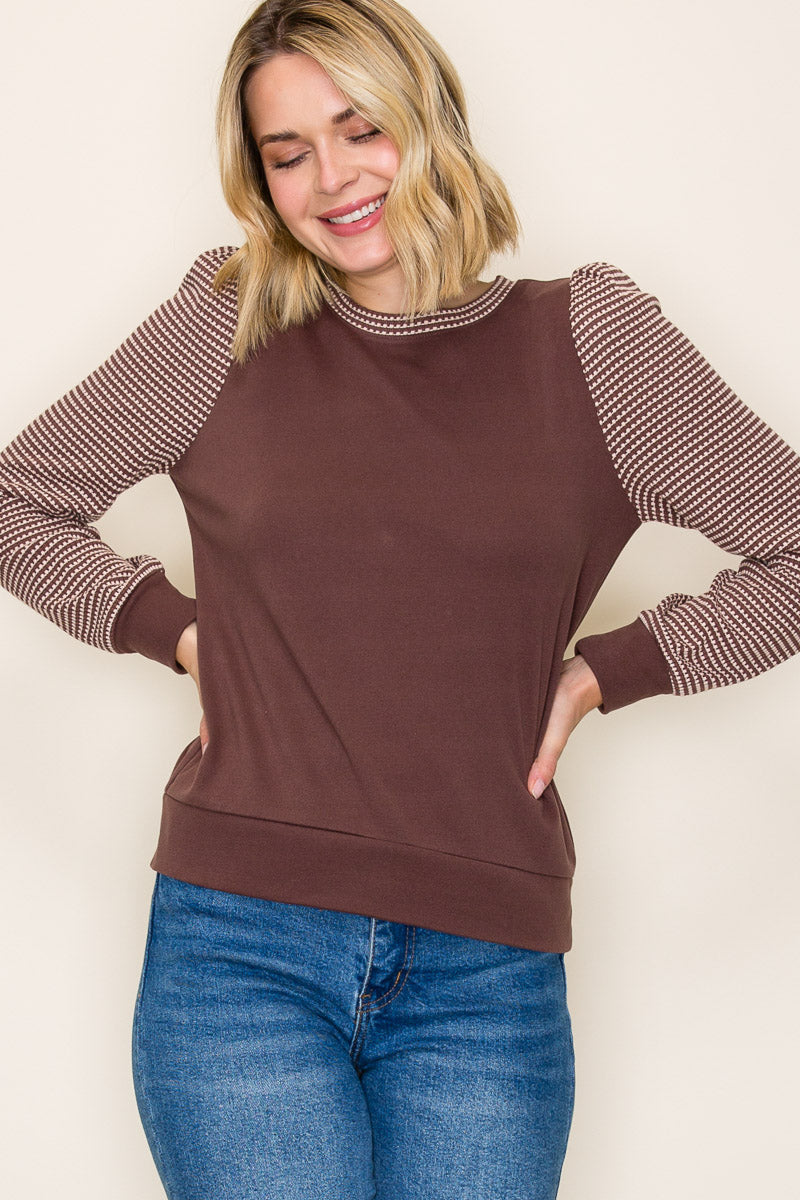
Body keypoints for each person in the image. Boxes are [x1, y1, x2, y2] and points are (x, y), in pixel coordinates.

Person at [1, 0, 798, 1197]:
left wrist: (604, 671)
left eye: (359, 128)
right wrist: (179, 634)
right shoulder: (226, 325)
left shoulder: (590, 341)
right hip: (238, 949)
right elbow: (17, 502)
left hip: (487, 967)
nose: (330, 179)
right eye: (286, 154)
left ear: (429, 122)